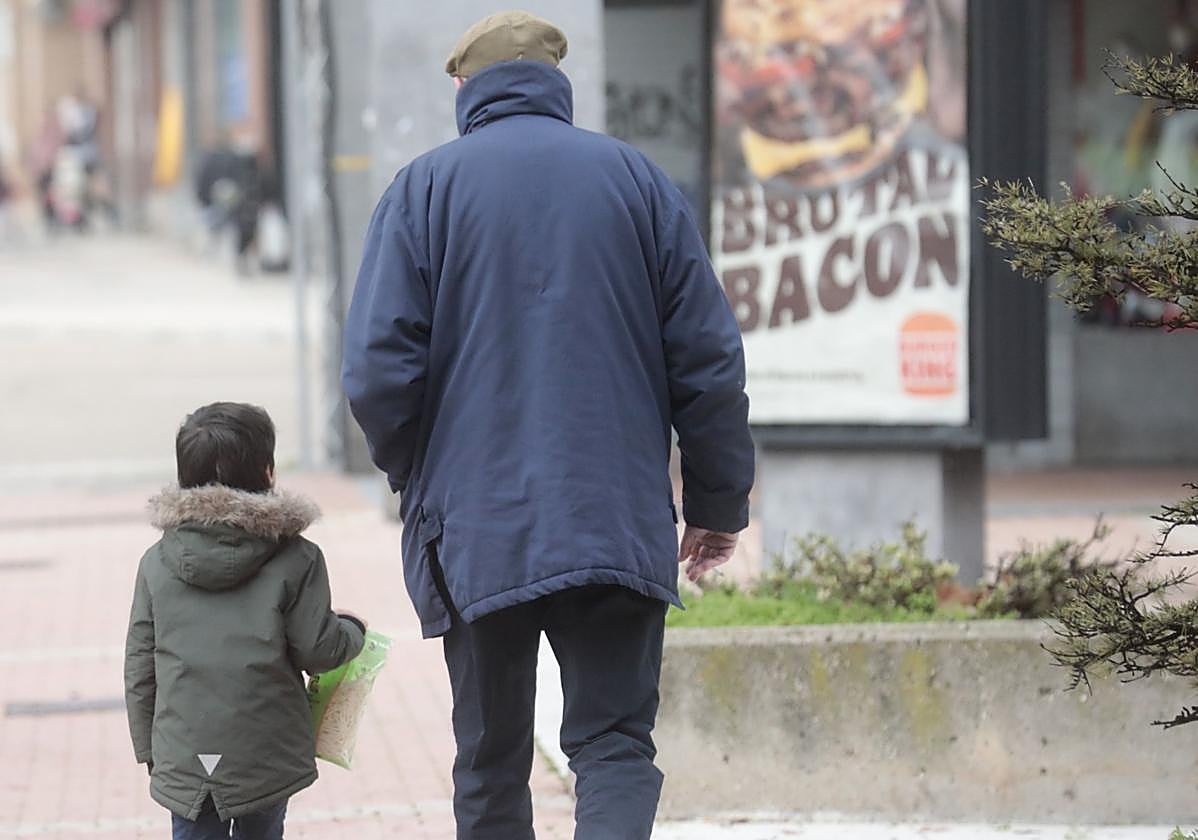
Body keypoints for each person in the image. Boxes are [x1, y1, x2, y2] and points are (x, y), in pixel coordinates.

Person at [341, 11, 754, 839]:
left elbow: (378, 370)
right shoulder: (638, 183)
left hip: (477, 524)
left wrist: (413, 474)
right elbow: (708, 360)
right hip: (615, 517)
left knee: (490, 760)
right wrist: (716, 502)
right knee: (614, 746)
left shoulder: (423, 189)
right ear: (555, 87)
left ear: (465, 88)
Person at [123, 402, 366, 840]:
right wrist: (353, 632)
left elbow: (140, 666)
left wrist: (150, 750)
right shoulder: (298, 557)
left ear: (184, 481)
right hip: (266, 754)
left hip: (184, 750)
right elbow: (318, 648)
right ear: (268, 472)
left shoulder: (156, 563)